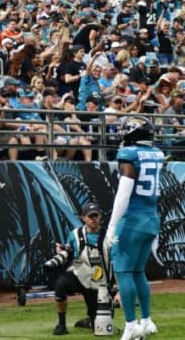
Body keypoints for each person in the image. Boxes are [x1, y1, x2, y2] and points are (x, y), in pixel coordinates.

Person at [104, 116, 164, 340]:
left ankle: (131, 325)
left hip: (132, 219)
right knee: (138, 271)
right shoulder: (156, 154)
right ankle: (147, 320)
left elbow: (124, 193)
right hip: (151, 217)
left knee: (123, 272)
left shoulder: (129, 155)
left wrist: (111, 226)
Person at [52, 203, 109, 335]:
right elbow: (68, 254)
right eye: (90, 216)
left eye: (96, 215)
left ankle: (89, 321)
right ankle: (61, 324)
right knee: (60, 284)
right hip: (79, 274)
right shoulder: (75, 234)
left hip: (99, 281)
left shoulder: (108, 235)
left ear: (100, 216)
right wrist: (60, 251)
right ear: (83, 218)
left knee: (101, 326)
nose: (93, 219)